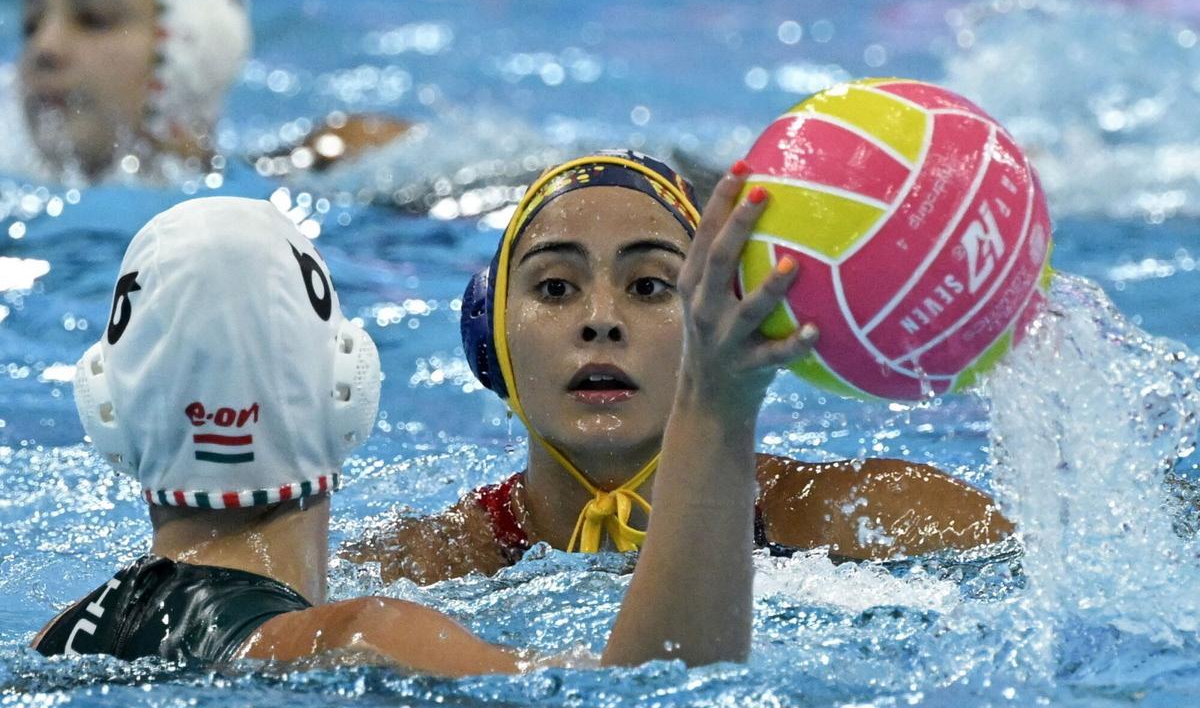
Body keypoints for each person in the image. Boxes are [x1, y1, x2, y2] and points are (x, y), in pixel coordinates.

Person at [32, 190, 802, 671]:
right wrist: (716, 407)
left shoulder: (58, 640)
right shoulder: (363, 638)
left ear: (107, 411)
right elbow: (660, 687)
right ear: (350, 395)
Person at [345, 151, 1014, 585]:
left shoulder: (861, 518)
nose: (600, 319)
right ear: (489, 336)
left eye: (649, 286)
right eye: (554, 288)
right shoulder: (424, 566)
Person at [20, 0, 407, 185]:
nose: (43, 47)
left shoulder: (312, 177)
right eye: (31, 24)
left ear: (189, 50)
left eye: (94, 18)